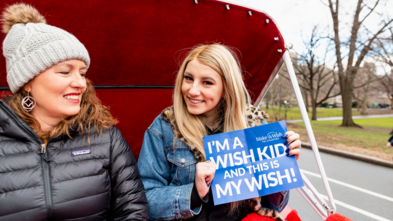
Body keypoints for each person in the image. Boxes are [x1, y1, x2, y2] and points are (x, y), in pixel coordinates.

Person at [0, 4, 149, 221]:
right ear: (27, 82)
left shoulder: (105, 137)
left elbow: (133, 211)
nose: (80, 83)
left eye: (82, 73)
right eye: (65, 71)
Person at [137, 44, 301, 221]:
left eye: (207, 82)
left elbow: (274, 206)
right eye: (188, 78)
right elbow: (144, 200)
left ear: (226, 88)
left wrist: (282, 163)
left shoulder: (253, 124)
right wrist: (193, 193)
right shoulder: (164, 127)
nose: (192, 90)